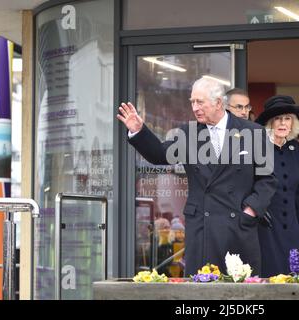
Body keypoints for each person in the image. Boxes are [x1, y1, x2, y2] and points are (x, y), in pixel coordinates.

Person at [117, 77, 277, 276]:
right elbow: (160, 155)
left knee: (239, 294)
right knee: (201, 292)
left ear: (218, 103)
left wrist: (250, 210)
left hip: (239, 227)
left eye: (200, 102)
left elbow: (268, 179)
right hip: (202, 228)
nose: (194, 107)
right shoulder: (187, 134)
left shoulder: (252, 132)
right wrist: (139, 131)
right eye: (192, 102)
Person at [255, 95, 299, 277]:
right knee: (271, 276)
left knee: (296, 276)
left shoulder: (294, 148)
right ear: (270, 122)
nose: (282, 123)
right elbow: (248, 186)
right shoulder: (259, 147)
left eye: (287, 118)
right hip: (266, 226)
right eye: (278, 118)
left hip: (292, 227)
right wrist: (258, 210)